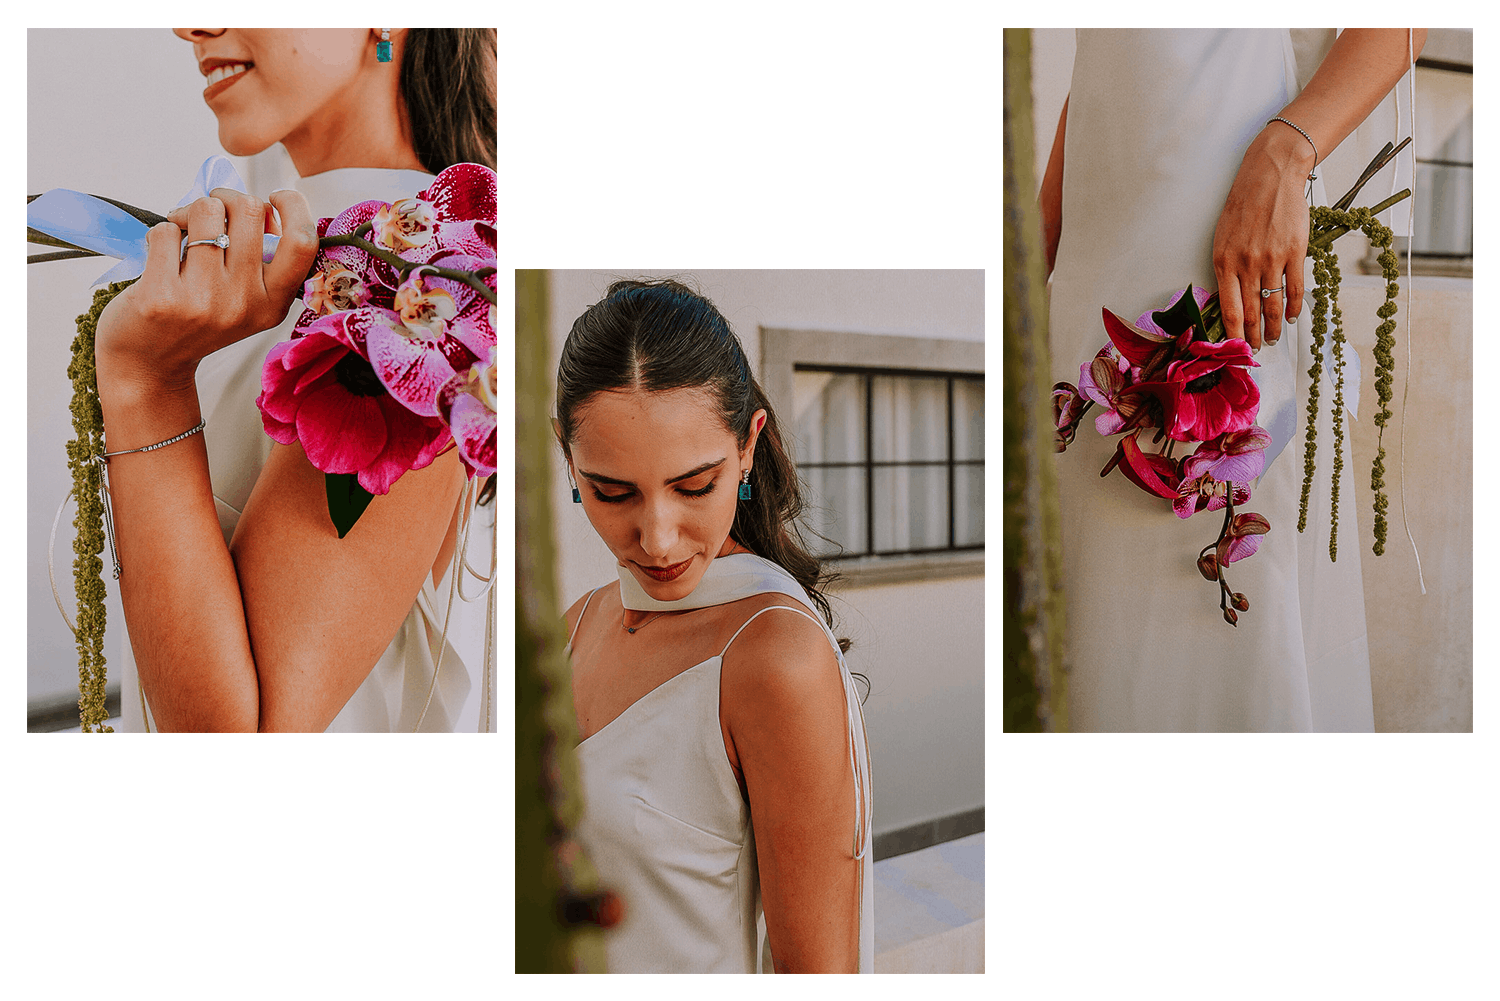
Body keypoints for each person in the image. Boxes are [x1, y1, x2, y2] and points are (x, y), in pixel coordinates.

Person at [95, 28, 497, 731]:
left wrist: (144, 385)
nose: (191, 24)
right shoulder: (262, 272)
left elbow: (248, 747)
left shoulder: (430, 283)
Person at [1040, 29, 1425, 731]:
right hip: (1092, 278)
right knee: (1094, 625)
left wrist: (1289, 149)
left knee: (1215, 639)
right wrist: (1033, 247)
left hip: (1234, 242)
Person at [555, 279, 873, 972]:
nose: (659, 540)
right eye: (613, 491)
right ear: (569, 458)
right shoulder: (574, 626)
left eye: (694, 486)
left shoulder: (773, 656)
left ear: (746, 447)